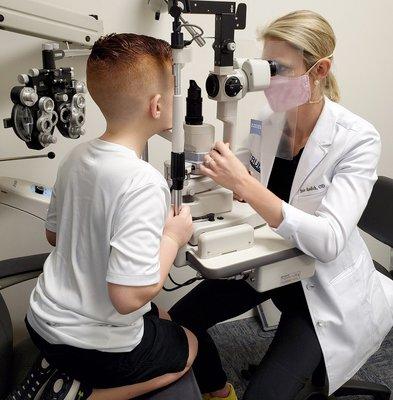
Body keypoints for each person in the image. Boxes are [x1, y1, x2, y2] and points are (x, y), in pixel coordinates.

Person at [169, 10, 393, 400]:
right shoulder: (268, 120)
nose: (268, 82)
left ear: (319, 69)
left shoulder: (357, 139)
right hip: (272, 264)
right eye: (264, 68)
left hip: (321, 285)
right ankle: (219, 391)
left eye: (280, 69)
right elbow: (241, 170)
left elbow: (328, 240)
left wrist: (244, 185)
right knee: (180, 321)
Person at [14, 33, 197, 400]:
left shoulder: (76, 157)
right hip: (89, 348)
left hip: (41, 321)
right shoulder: (144, 182)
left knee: (159, 315)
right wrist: (173, 237)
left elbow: (55, 237)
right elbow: (127, 298)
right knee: (190, 345)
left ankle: (61, 372)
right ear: (158, 105)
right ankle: (85, 395)